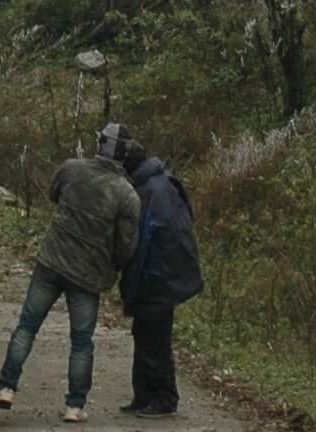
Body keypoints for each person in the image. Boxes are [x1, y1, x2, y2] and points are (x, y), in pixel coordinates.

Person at [0, 124, 141, 423]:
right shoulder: (127, 195)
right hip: (87, 277)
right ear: (124, 154)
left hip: (50, 262)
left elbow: (52, 194)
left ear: (100, 145)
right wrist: (112, 265)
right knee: (81, 341)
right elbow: (127, 247)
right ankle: (74, 406)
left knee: (27, 326)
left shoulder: (71, 169)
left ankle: (7, 388)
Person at [111, 129, 204, 417]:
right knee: (145, 333)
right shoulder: (162, 183)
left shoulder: (150, 192)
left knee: (155, 339)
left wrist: (131, 283)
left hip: (160, 278)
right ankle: (144, 395)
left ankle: (165, 398)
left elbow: (143, 244)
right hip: (168, 274)